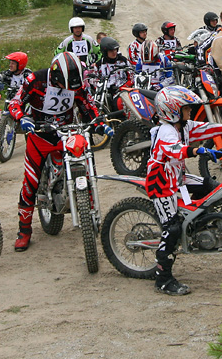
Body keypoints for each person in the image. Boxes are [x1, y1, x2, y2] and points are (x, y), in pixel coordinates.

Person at [146, 85, 222, 295]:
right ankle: (163, 278)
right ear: (173, 110)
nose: (190, 110)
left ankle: (193, 222)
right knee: (172, 228)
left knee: (211, 188)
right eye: (186, 108)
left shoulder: (183, 126)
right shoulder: (166, 131)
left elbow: (206, 128)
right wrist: (198, 150)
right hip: (161, 182)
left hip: (178, 177)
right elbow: (176, 151)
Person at [7, 52, 103, 251]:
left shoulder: (78, 84)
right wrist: (21, 118)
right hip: (39, 135)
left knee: (87, 162)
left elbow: (88, 105)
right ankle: (24, 230)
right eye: (64, 85)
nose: (69, 90)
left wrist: (99, 123)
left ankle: (90, 209)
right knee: (30, 182)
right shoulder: (35, 80)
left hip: (66, 133)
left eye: (72, 87)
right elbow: (15, 103)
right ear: (55, 75)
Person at [93, 36, 132, 101]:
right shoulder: (99, 65)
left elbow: (132, 77)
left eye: (115, 49)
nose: (114, 52)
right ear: (105, 52)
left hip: (124, 91)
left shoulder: (123, 61)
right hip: (107, 93)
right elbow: (95, 81)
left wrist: (124, 87)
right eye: (111, 50)